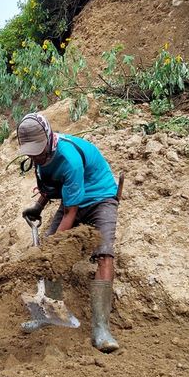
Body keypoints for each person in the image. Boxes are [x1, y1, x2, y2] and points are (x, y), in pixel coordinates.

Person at [18, 112, 120, 353]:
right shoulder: (42, 157)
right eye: (31, 152)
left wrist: (52, 247)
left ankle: (101, 328)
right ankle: (50, 315)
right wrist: (38, 206)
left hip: (100, 198)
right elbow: (55, 184)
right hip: (72, 200)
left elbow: (70, 212)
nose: (36, 156)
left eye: (38, 151)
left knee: (104, 255)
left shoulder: (69, 158)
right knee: (48, 258)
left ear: (48, 137)